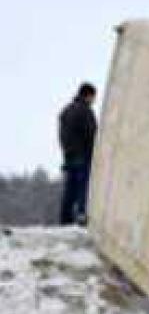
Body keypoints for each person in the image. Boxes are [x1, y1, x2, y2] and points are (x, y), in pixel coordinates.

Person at [58, 82, 98, 225]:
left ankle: (65, 220)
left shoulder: (66, 111)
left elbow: (62, 135)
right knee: (83, 189)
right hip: (83, 156)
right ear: (88, 95)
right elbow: (92, 134)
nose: (94, 101)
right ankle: (81, 216)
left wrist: (67, 151)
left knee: (70, 191)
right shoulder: (85, 111)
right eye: (93, 97)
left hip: (69, 157)